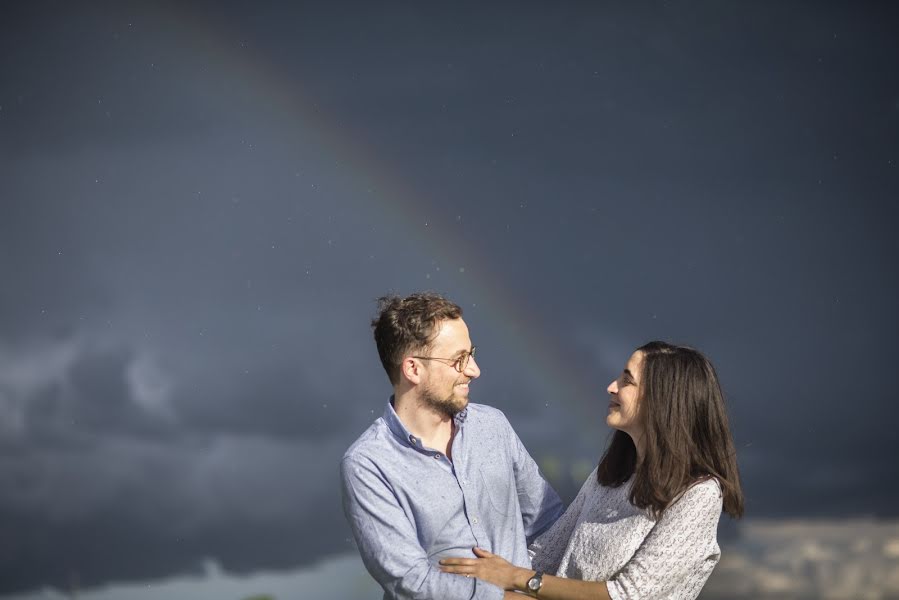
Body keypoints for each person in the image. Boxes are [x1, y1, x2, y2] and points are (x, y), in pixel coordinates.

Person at [440, 341, 744, 600]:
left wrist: (518, 579)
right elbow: (545, 556)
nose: (611, 387)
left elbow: (628, 594)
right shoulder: (609, 475)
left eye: (627, 380)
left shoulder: (700, 495)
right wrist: (474, 580)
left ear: (663, 401)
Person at [341, 292, 564, 600]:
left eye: (471, 354)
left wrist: (535, 584)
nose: (474, 370)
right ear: (413, 369)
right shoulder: (368, 464)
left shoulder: (493, 426)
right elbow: (411, 582)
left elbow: (548, 523)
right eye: (459, 360)